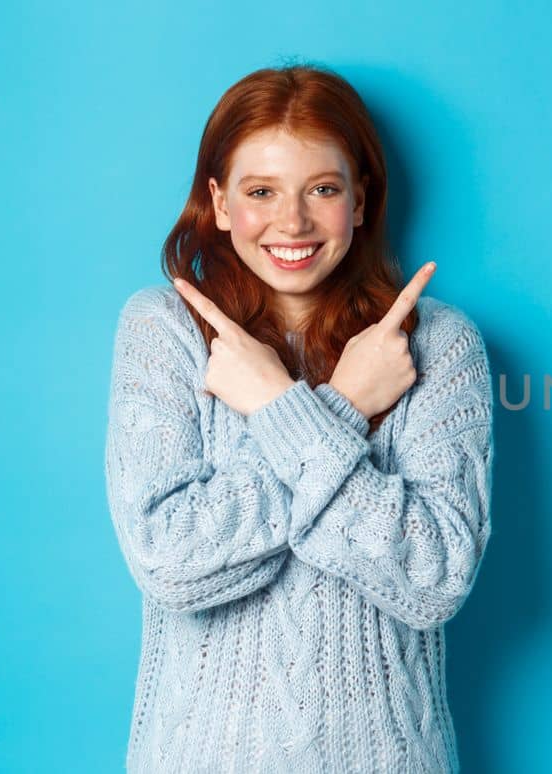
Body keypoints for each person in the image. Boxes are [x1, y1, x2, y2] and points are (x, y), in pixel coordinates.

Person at [103, 63, 493, 773]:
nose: (292, 222)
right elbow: (168, 561)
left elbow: (436, 579)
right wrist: (343, 408)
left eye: (322, 189)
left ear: (361, 200)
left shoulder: (436, 343)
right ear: (219, 202)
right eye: (261, 192)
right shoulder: (164, 331)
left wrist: (282, 409)